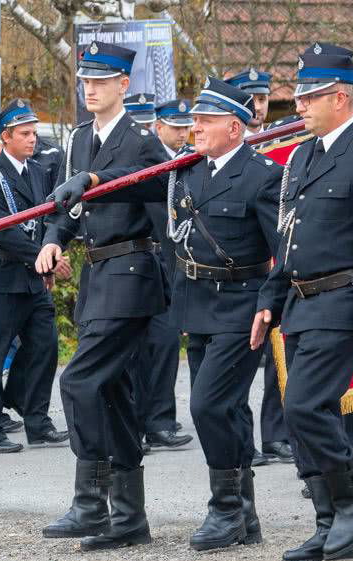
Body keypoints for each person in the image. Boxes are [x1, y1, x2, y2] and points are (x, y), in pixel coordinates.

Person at [251, 42, 353, 561]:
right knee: (299, 418)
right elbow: (285, 239)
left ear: (340, 97)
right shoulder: (300, 155)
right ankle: (328, 522)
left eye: (310, 97)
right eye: (299, 96)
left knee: (304, 406)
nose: (298, 106)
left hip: (343, 300)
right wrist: (268, 301)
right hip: (299, 304)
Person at [36, 41, 169, 550]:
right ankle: (130, 518)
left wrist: (94, 177)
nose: (90, 89)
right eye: (85, 81)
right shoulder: (78, 139)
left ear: (123, 86)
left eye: (101, 81)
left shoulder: (140, 139)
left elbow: (158, 184)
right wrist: (52, 240)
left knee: (80, 382)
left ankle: (91, 500)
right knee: (112, 395)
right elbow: (70, 206)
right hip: (97, 279)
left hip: (132, 274)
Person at [164, 76, 282, 550]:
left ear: (234, 127)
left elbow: (284, 250)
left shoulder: (263, 175)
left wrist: (270, 305)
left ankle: (225, 508)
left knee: (207, 405)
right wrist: (87, 183)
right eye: (195, 120)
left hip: (242, 306)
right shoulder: (189, 171)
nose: (196, 128)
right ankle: (246, 516)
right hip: (197, 305)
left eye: (207, 121)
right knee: (228, 407)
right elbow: (134, 187)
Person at [0, 98, 69, 454]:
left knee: (45, 345)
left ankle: (37, 421)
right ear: (6, 137)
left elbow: (46, 220)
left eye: (34, 133)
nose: (33, 139)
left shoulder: (37, 171)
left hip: (32, 278)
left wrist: (53, 249)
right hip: (1, 278)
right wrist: (44, 258)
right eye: (25, 134)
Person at [226, 67, 295, 466]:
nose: (257, 106)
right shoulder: (224, 146)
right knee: (241, 361)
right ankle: (241, 439)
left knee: (279, 354)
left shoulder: (286, 140)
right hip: (244, 264)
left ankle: (277, 433)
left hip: (280, 256)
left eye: (264, 98)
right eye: (249, 98)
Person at [129, 98, 197, 451]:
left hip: (174, 267)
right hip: (145, 263)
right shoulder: (147, 164)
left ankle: (161, 421)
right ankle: (136, 424)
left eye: (186, 126)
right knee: (138, 351)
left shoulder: (189, 164)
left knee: (167, 344)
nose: (183, 132)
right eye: (175, 126)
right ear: (159, 128)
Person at [226, 68, 271, 138]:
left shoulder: (279, 137)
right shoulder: (225, 144)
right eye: (250, 101)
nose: (257, 107)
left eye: (262, 99)